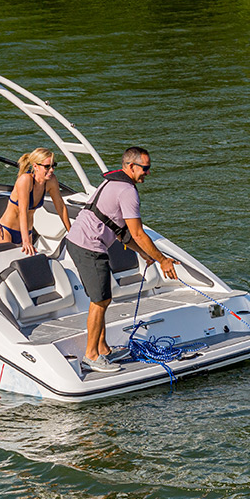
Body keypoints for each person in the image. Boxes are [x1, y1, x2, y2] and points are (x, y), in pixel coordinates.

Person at [65, 146, 178, 373]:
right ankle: (91, 355)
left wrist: (145, 253)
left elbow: (119, 230)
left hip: (83, 242)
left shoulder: (113, 183)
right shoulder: (127, 191)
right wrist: (162, 260)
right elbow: (137, 233)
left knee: (101, 299)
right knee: (101, 300)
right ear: (130, 166)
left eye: (149, 168)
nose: (147, 172)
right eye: (144, 168)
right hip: (88, 246)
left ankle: (103, 349)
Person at [0, 147, 71, 256]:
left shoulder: (51, 181)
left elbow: (61, 207)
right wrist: (26, 242)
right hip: (6, 231)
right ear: (35, 166)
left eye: (53, 166)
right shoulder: (26, 180)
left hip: (26, 232)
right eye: (47, 166)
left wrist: (71, 233)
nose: (51, 170)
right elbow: (22, 211)